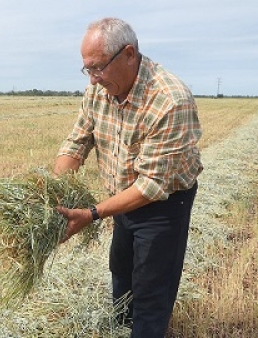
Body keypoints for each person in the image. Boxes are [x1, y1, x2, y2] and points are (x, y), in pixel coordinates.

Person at [54, 18, 203, 338]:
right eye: (87, 70)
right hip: (121, 196)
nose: (92, 80)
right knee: (121, 272)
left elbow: (151, 186)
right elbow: (77, 141)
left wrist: (92, 214)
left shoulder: (168, 99)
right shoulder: (98, 91)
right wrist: (56, 191)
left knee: (151, 289)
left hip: (162, 204)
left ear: (129, 55)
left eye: (98, 69)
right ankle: (124, 329)